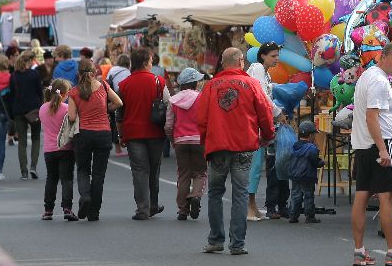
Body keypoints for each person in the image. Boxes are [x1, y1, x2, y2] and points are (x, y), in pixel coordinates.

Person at [197, 47, 274, 255]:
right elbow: (265, 113)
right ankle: (237, 243)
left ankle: (216, 239)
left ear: (223, 63)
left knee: (215, 192)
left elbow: (201, 118)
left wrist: (205, 141)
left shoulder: (211, 86)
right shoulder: (252, 84)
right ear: (241, 61)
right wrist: (267, 135)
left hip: (217, 147)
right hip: (243, 146)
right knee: (240, 194)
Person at [351, 42, 392, 266]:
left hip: (363, 144)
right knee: (387, 196)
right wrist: (382, 148)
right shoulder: (379, 81)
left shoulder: (367, 75)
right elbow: (372, 116)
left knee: (362, 195)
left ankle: (359, 251)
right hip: (378, 143)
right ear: (383, 56)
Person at [116, 47, 169, 221]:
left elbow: (119, 113)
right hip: (156, 132)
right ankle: (153, 204)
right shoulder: (159, 81)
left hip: (133, 133)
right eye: (151, 61)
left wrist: (120, 135)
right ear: (146, 62)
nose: (152, 64)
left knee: (139, 171)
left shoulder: (124, 85)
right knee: (154, 169)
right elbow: (169, 105)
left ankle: (142, 209)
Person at [69, 59, 122, 221]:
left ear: (78, 74)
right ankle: (94, 212)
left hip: (83, 134)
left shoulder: (74, 92)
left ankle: (85, 195)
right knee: (99, 175)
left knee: (83, 169)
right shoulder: (104, 86)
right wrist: (105, 109)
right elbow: (118, 102)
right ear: (95, 72)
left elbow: (72, 117)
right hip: (103, 134)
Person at [245, 42, 287, 220]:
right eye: (273, 56)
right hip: (252, 125)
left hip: (259, 124)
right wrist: (278, 113)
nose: (276, 59)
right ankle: (249, 207)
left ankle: (252, 205)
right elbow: (261, 96)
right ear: (263, 55)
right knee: (254, 166)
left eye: (277, 56)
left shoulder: (265, 73)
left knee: (256, 165)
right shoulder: (257, 68)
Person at [165, 67, 206, 221]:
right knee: (200, 172)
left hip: (180, 141)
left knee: (183, 175)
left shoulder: (173, 100)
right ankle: (195, 195)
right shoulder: (202, 98)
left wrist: (172, 140)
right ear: (195, 83)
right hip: (199, 140)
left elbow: (169, 125)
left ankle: (182, 210)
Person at [39, 79, 78, 221]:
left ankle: (48, 210)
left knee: (51, 179)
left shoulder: (43, 108)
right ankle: (67, 208)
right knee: (66, 179)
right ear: (65, 94)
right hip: (66, 148)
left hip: (49, 149)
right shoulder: (67, 108)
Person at [10, 50, 43, 180]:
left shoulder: (13, 76)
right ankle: (33, 167)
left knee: (22, 141)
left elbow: (12, 94)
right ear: (29, 61)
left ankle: (24, 171)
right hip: (34, 110)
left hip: (19, 110)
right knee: (36, 138)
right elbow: (40, 92)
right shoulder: (34, 74)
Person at [287, 120, 324, 224]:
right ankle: (310, 216)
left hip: (295, 175)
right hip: (307, 176)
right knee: (308, 196)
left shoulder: (294, 146)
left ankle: (293, 215)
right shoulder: (312, 148)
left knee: (295, 195)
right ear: (311, 135)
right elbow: (314, 162)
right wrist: (321, 163)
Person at [107, 54, 131, 156]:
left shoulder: (112, 70)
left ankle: (117, 149)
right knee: (124, 121)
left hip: (112, 99)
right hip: (123, 98)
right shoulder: (127, 72)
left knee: (114, 122)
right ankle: (127, 145)